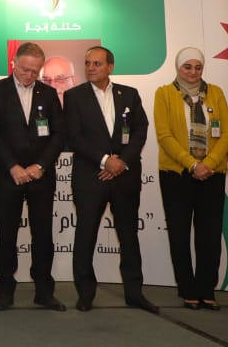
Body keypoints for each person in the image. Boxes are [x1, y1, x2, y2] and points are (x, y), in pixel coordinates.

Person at [63, 46, 156, 313]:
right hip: (90, 176)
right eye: (87, 63)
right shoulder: (73, 96)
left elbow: (140, 130)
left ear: (110, 67)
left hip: (125, 176)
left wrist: (121, 162)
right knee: (86, 235)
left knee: (128, 236)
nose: (90, 68)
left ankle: (134, 293)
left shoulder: (129, 94)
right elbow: (74, 136)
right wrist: (106, 161)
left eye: (97, 63)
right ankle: (85, 294)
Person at [0, 42, 66, 312]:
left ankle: (44, 291)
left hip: (41, 176)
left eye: (34, 71)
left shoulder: (49, 93)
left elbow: (59, 134)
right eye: (24, 69)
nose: (29, 75)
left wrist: (40, 166)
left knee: (42, 234)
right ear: (14, 64)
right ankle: (5, 291)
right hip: (8, 175)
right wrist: (13, 166)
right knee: (6, 233)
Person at [154, 47, 228, 311]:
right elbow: (164, 136)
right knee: (179, 233)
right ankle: (187, 289)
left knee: (210, 234)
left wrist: (208, 164)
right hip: (176, 174)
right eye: (187, 66)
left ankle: (206, 289)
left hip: (212, 173)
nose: (193, 72)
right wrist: (192, 164)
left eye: (198, 67)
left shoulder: (216, 93)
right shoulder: (164, 93)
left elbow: (226, 134)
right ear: (178, 67)